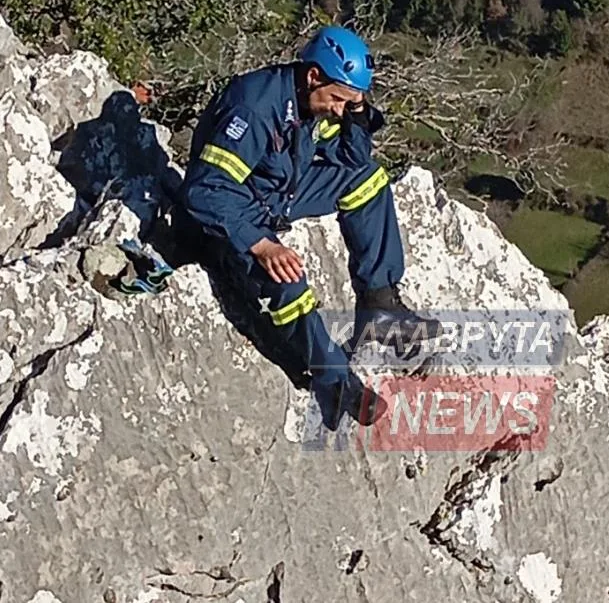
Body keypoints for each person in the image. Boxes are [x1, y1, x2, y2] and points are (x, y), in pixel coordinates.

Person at [175, 25, 439, 431]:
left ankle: (379, 302)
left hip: (278, 195)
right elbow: (206, 191)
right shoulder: (254, 107)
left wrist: (356, 114)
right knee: (289, 281)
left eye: (346, 102)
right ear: (313, 75)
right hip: (227, 219)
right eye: (337, 99)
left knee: (368, 181)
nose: (337, 109)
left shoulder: (314, 101)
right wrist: (261, 245)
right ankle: (335, 382)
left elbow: (352, 160)